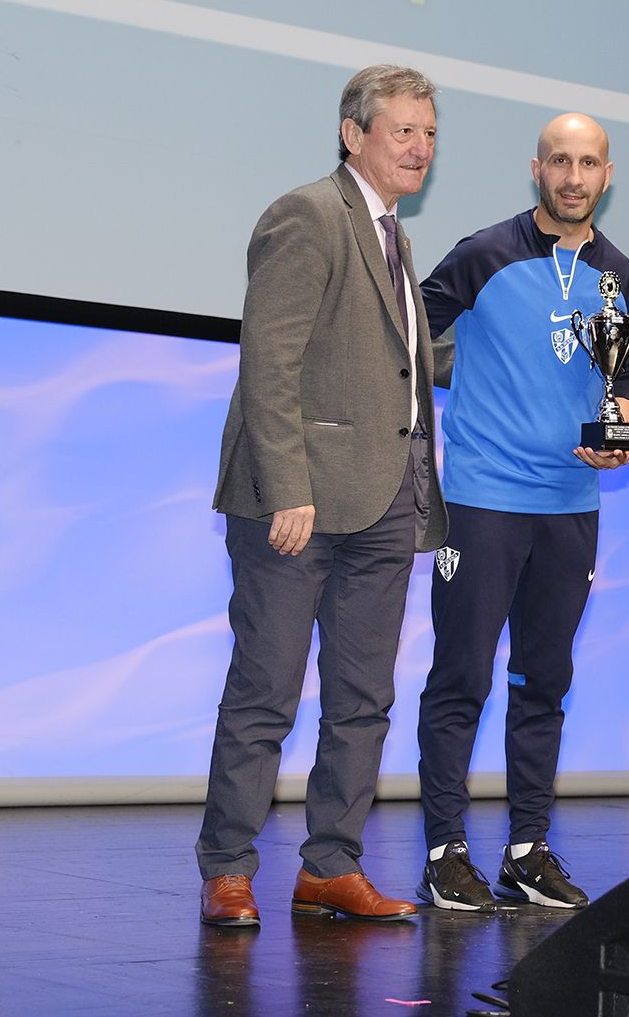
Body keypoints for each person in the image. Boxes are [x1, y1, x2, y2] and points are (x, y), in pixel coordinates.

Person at [195, 64, 447, 927]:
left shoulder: (393, 237)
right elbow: (269, 362)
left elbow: (396, 369)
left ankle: (330, 864)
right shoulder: (308, 214)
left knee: (362, 699)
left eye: (428, 133)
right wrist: (287, 488)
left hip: (383, 503)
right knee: (266, 692)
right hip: (294, 503)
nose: (419, 147)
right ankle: (228, 868)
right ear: (355, 134)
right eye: (402, 131)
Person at [412, 113, 629, 911]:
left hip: (572, 504)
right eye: (559, 161)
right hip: (482, 500)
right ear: (535, 169)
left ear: (607, 175)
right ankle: (444, 851)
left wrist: (620, 432)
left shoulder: (622, 277)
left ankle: (527, 848)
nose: (573, 176)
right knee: (462, 677)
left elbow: (618, 382)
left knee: (545, 681)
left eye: (588, 163)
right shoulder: (483, 255)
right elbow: (401, 336)